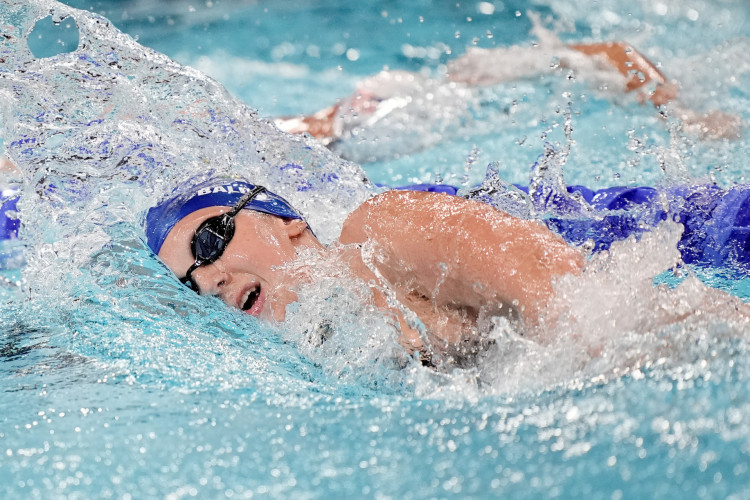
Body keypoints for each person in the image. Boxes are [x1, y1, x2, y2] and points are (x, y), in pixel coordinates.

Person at [145, 176, 750, 364]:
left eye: (211, 238)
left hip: (710, 236)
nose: (210, 277)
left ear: (288, 222)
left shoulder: (375, 233)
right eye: (189, 282)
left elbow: (586, 303)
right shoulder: (336, 346)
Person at [274, 35, 741, 147]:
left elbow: (613, 51)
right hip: (410, 101)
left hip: (442, 93)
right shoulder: (445, 92)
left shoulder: (482, 81)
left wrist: (680, 111)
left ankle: (678, 106)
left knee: (597, 58)